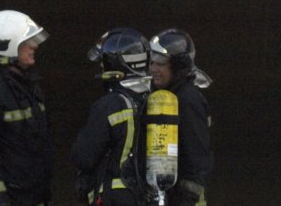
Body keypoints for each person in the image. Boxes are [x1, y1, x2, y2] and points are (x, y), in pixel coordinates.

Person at [0, 10, 53, 206]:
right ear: (8, 47)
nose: (34, 46)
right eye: (26, 42)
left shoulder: (29, 86)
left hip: (31, 196)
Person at [71, 28, 152, 206]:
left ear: (115, 63)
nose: (101, 66)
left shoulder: (109, 105)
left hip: (114, 197)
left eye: (103, 61)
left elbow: (83, 156)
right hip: (144, 197)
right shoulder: (152, 101)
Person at [149, 29, 212, 206]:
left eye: (160, 63)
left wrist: (186, 198)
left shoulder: (188, 99)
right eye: (151, 62)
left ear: (178, 66)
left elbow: (197, 156)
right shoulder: (163, 96)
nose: (154, 69)